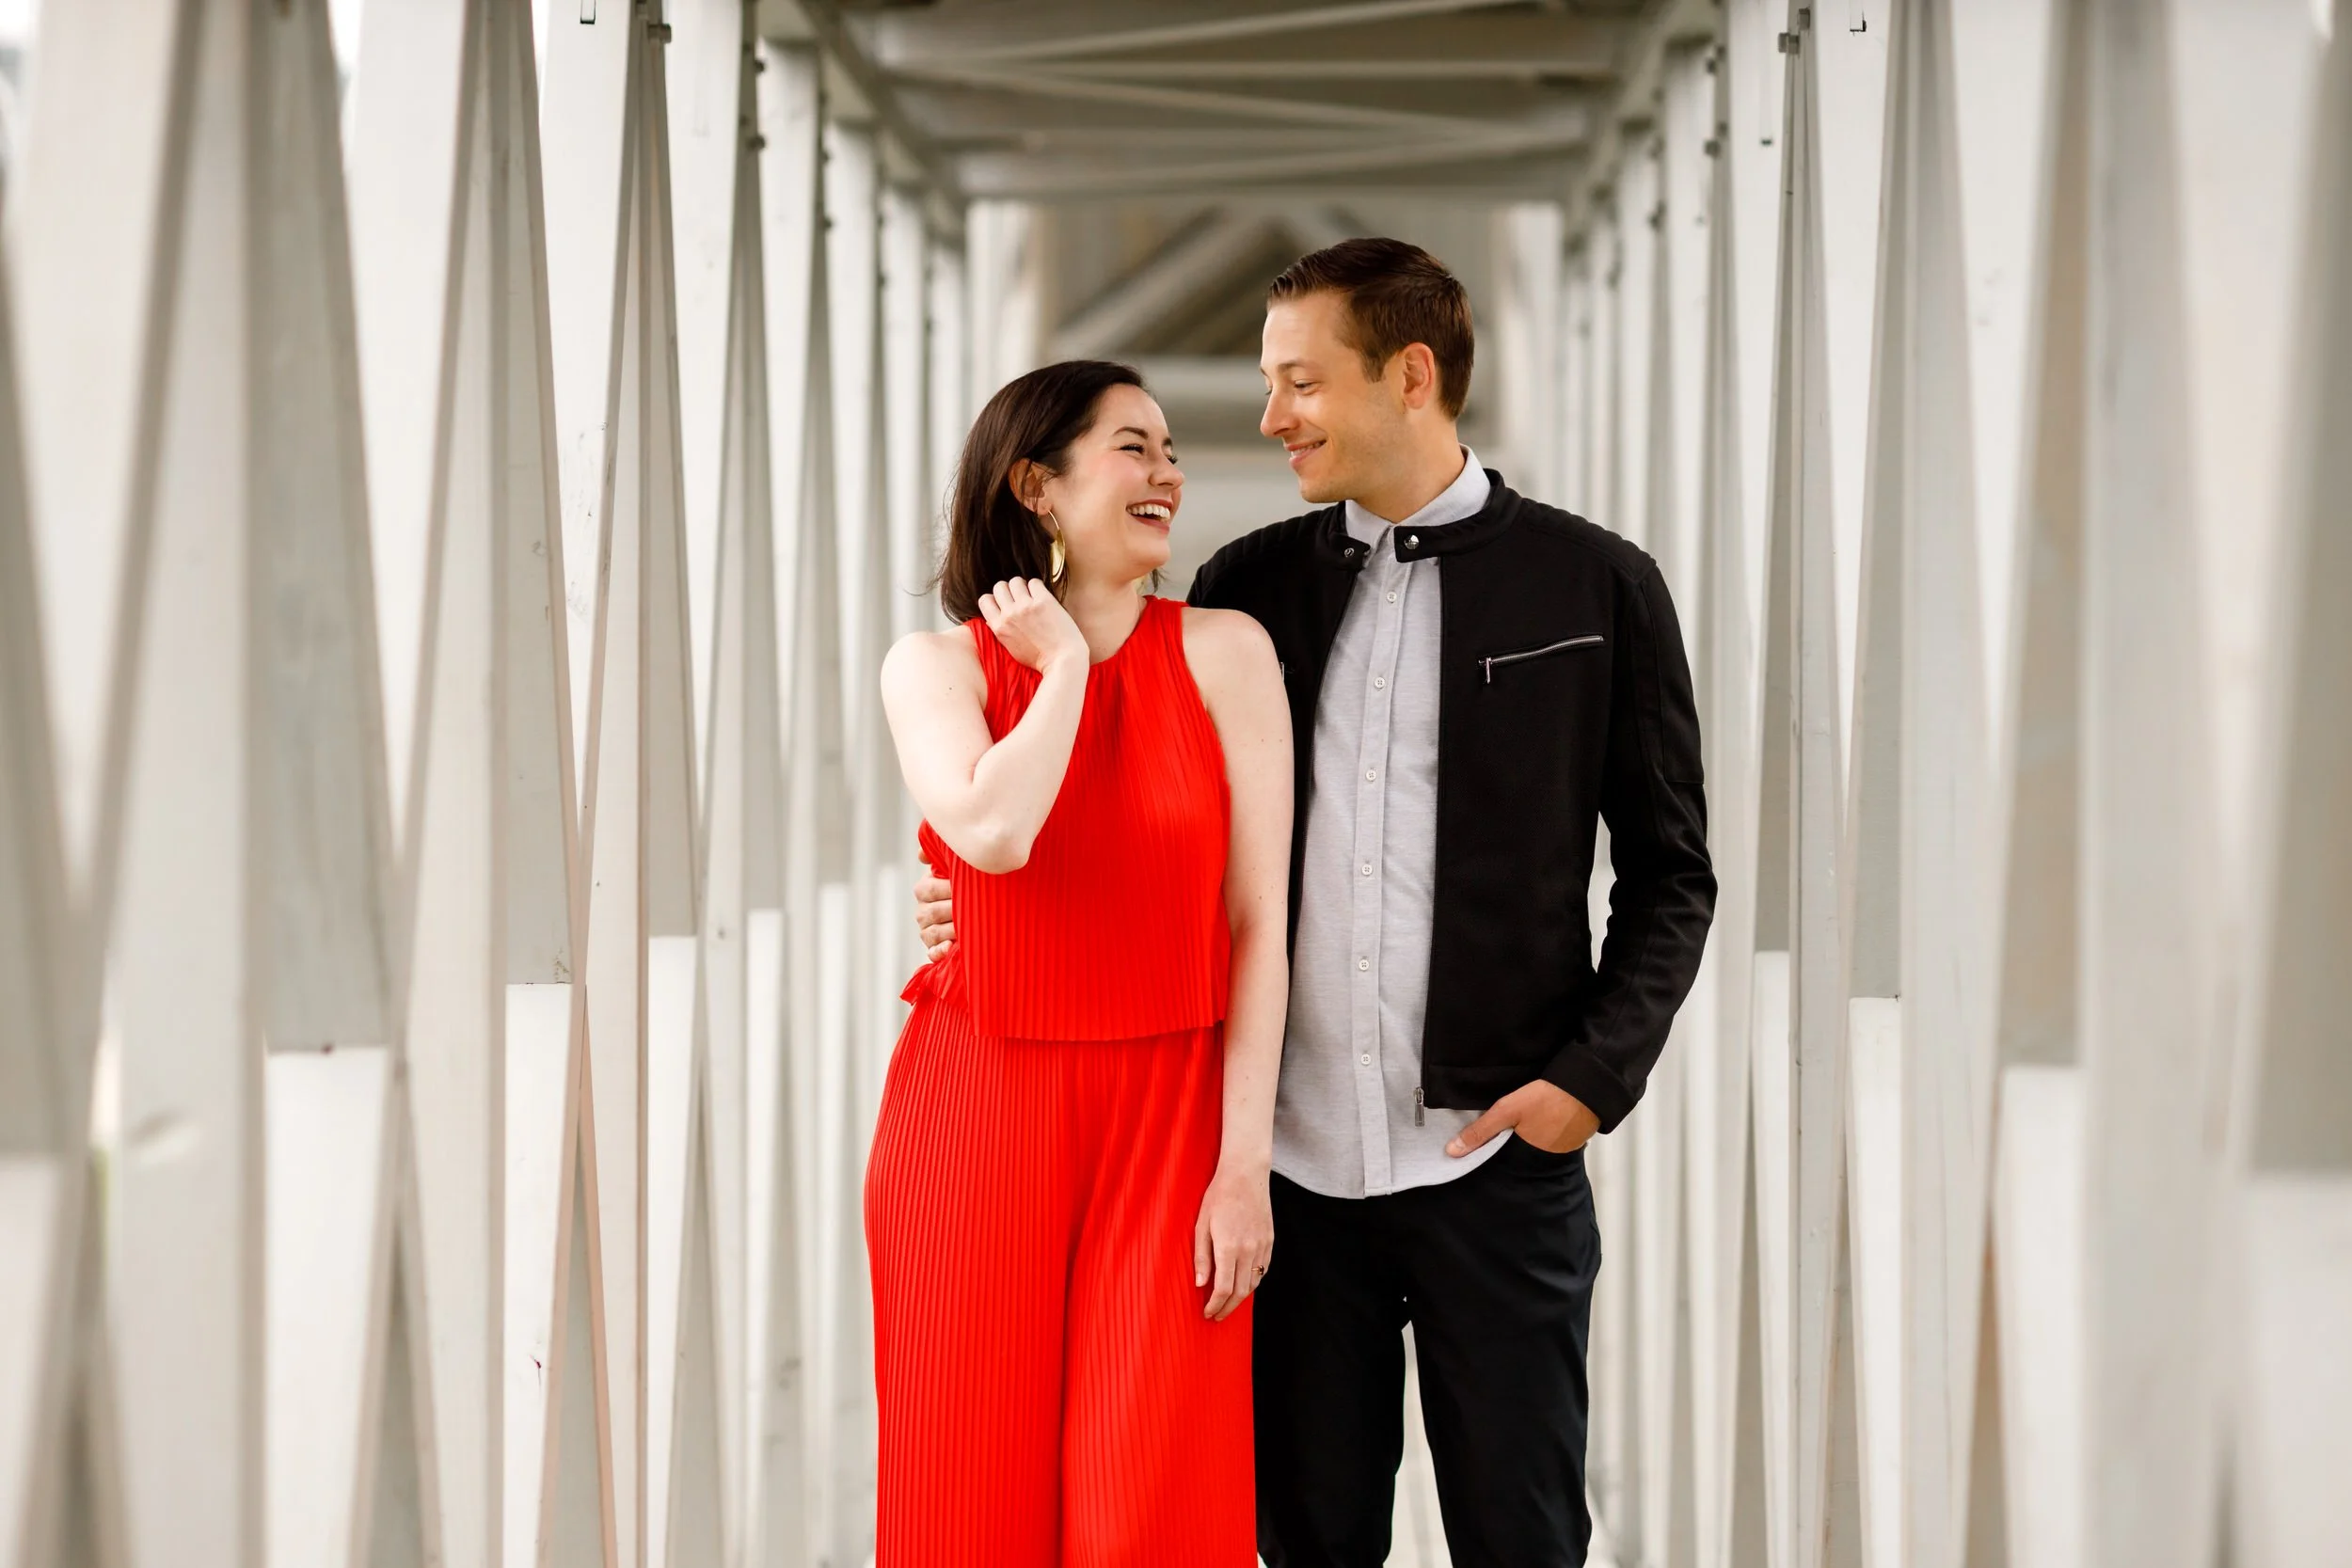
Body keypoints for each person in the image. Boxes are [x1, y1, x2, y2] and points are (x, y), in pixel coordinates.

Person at [915, 240, 1716, 1566]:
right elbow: (1137, 822)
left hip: (1493, 1159)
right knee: (1302, 1542)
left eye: (1299, 381)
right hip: (1282, 1176)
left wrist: (1588, 1078)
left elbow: (1672, 869)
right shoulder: (1250, 588)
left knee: (1525, 1538)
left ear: (1411, 377)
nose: (1272, 415)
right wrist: (965, 914)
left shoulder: (1597, 586)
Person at [866, 359, 1294, 1566]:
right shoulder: (936, 666)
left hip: (1169, 1124)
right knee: (967, 1512)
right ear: (1035, 487)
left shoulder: (1226, 652)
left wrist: (1243, 1165)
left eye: (1168, 449)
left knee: (1150, 1514)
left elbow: (1261, 919)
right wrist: (1061, 669)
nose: (1167, 471)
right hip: (974, 1111)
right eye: (1131, 447)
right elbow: (994, 834)